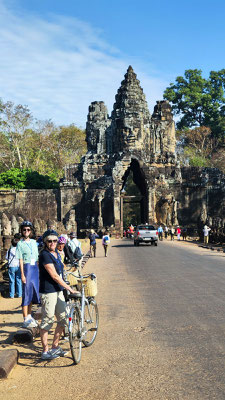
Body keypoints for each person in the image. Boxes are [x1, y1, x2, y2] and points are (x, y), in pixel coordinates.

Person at [39, 229, 77, 360]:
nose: (52, 243)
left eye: (55, 240)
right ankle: (45, 351)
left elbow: (61, 270)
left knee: (63, 319)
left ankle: (55, 346)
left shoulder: (56, 253)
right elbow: (54, 275)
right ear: (45, 242)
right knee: (47, 320)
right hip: (48, 291)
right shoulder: (44, 255)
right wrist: (69, 288)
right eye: (49, 241)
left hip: (58, 290)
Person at [16, 221, 40, 328]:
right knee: (26, 292)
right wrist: (22, 274)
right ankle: (25, 318)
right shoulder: (20, 244)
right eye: (24, 230)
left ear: (31, 231)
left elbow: (37, 257)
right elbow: (20, 260)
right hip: (26, 268)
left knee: (32, 292)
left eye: (28, 230)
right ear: (21, 231)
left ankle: (30, 316)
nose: (26, 231)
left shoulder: (34, 242)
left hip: (35, 268)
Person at [5, 233, 22, 299]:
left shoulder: (9, 250)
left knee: (12, 281)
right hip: (18, 266)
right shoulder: (19, 250)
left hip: (11, 266)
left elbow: (7, 258)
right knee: (18, 280)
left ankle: (11, 295)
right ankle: (19, 294)